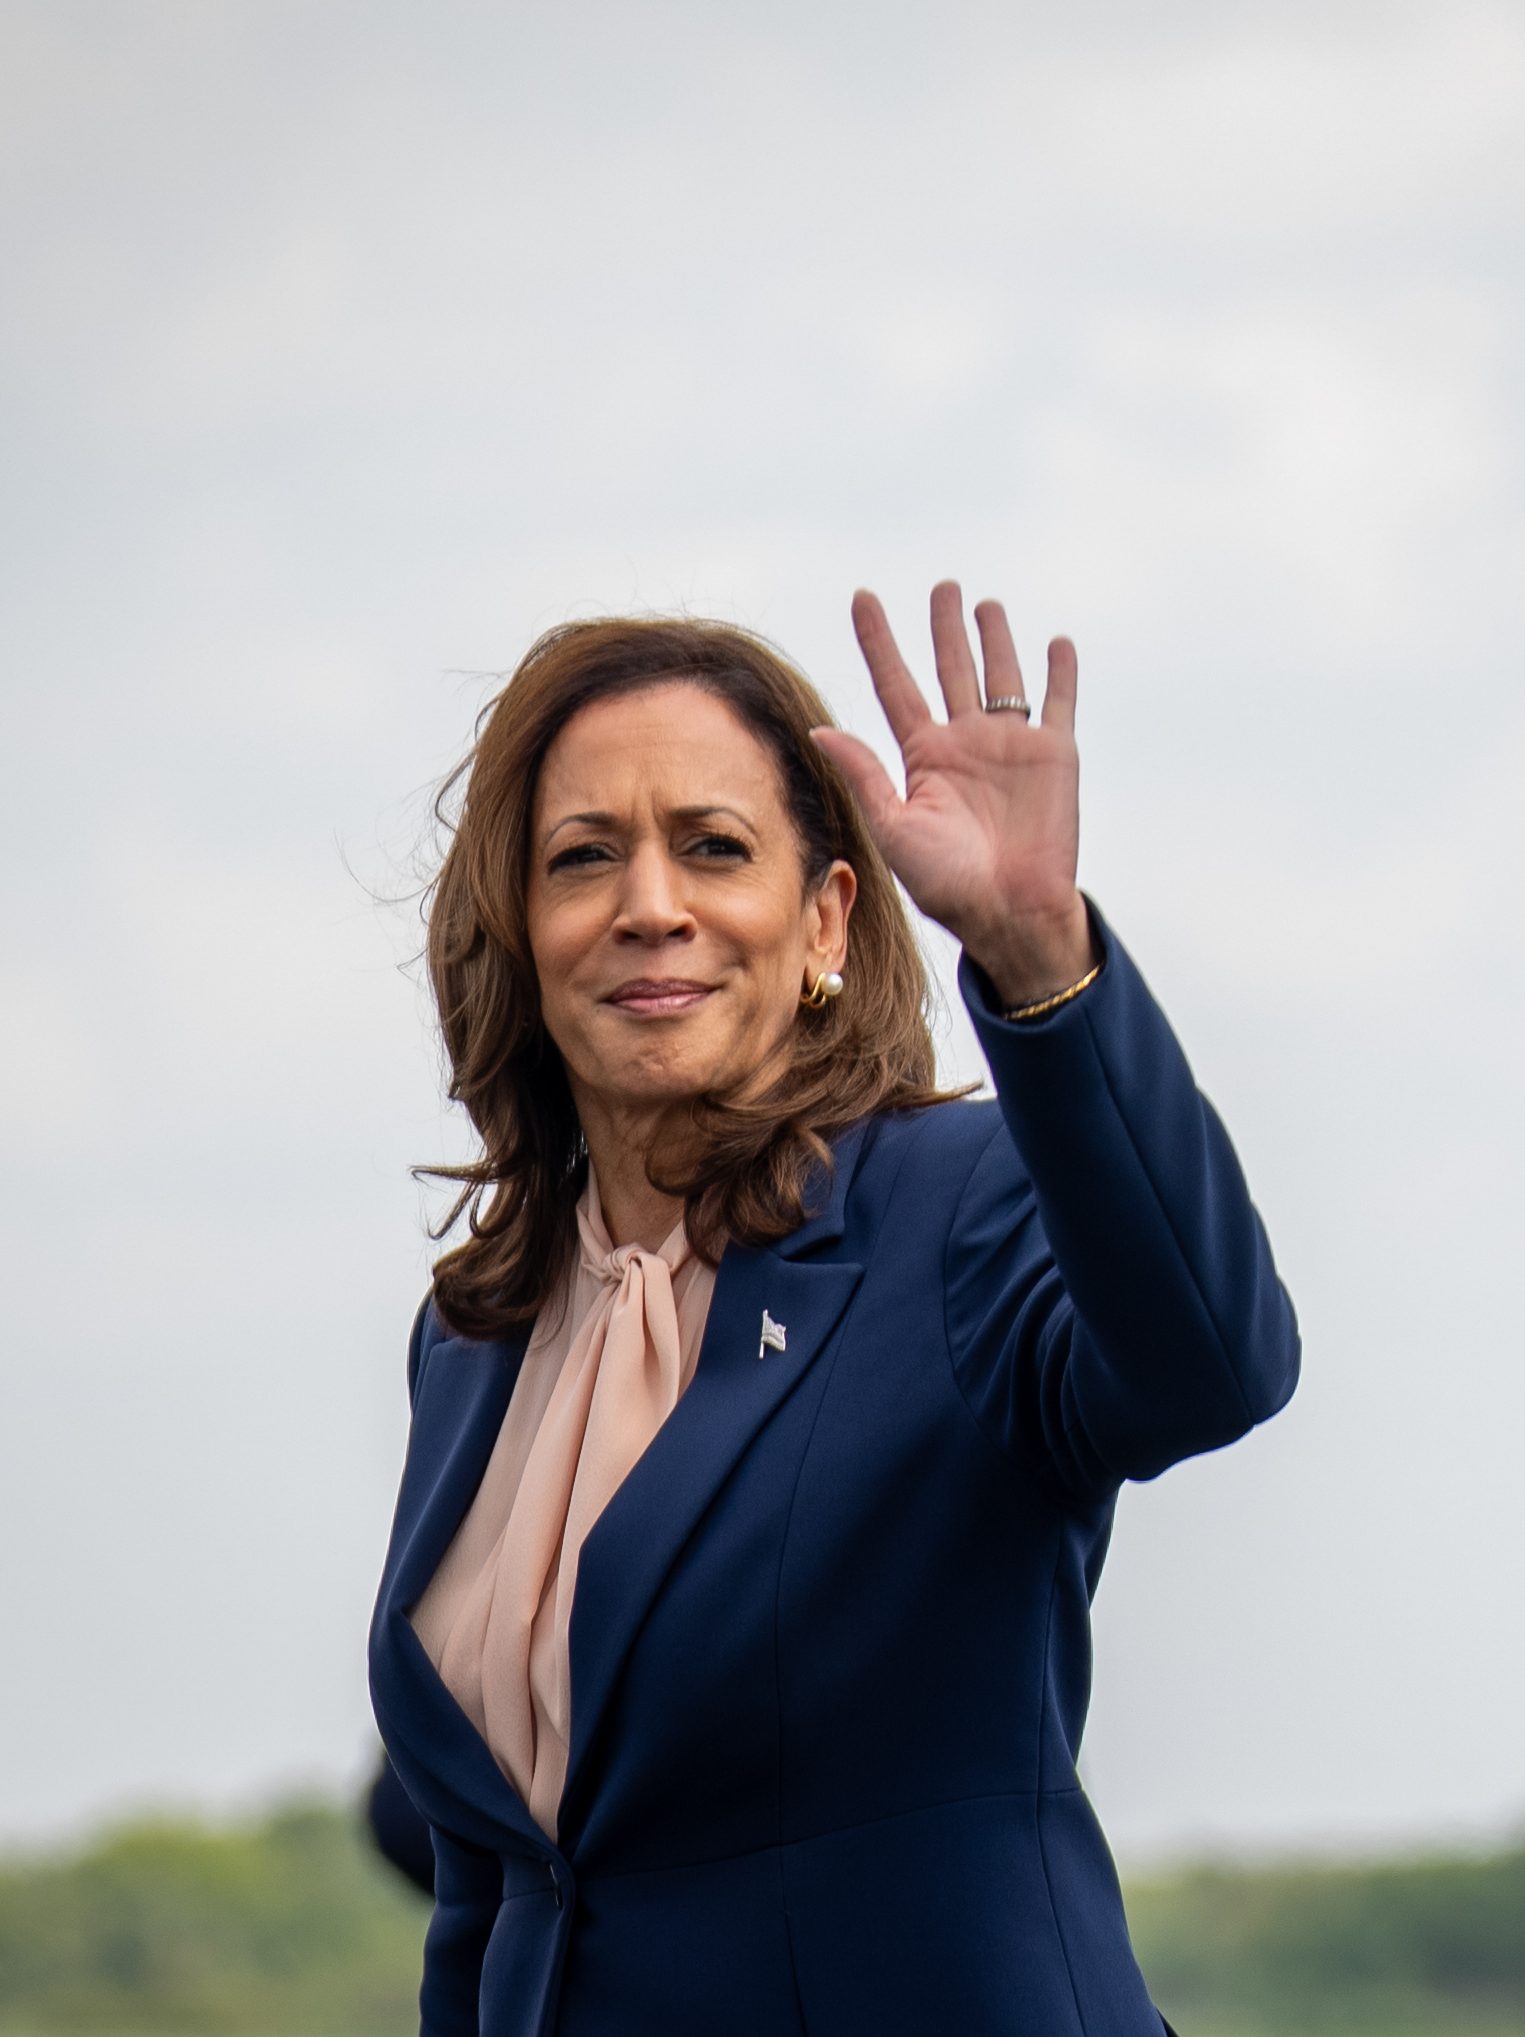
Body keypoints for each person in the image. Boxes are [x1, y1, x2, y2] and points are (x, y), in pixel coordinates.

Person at [368, 582, 1299, 2037]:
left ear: (823, 922)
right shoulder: (476, 1337)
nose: (650, 906)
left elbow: (1210, 1364)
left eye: (714, 847)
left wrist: (1040, 960)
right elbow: (494, 1888)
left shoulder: (957, 1208)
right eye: (584, 857)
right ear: (521, 929)